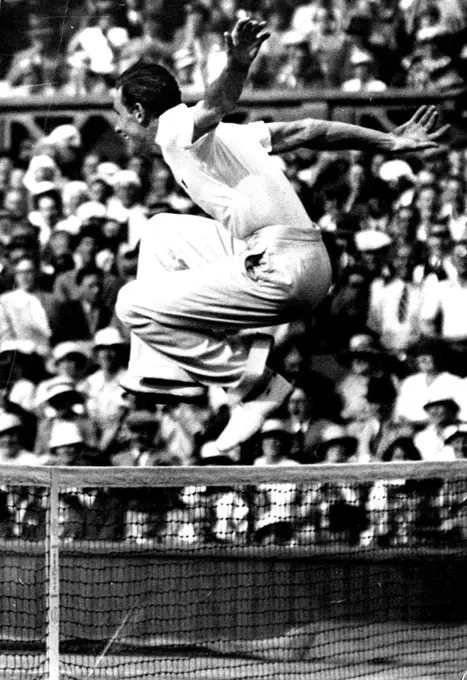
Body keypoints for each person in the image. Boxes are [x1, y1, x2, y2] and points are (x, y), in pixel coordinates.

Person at [112, 16, 450, 455]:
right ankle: (165, 372)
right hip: (294, 255)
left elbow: (215, 105)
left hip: (282, 270)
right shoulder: (231, 137)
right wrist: (387, 141)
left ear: (138, 112)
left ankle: (255, 387)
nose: (117, 126)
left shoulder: (178, 133)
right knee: (161, 231)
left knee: (129, 303)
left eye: (118, 114)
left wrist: (235, 65)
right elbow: (311, 130)